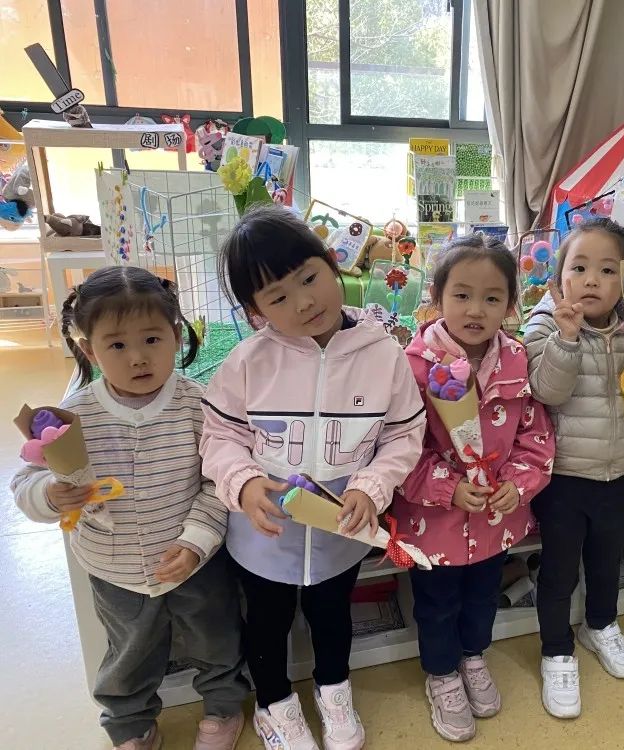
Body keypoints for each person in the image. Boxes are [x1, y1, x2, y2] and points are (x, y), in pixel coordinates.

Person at [200, 204, 426, 750]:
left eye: (308, 278)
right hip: (265, 536)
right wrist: (243, 483)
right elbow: (218, 436)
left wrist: (372, 486)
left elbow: (404, 434)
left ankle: (334, 691)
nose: (304, 302)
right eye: (277, 298)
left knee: (332, 617)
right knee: (266, 624)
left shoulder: (383, 353)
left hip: (340, 531)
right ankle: (274, 705)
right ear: (255, 312)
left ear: (331, 262)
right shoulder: (248, 362)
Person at [11, 267, 247, 750]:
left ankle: (224, 706)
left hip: (194, 564)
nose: (138, 357)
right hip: (112, 567)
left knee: (216, 639)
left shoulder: (197, 406)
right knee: (128, 653)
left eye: (152, 339)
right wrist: (49, 495)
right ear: (89, 350)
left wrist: (195, 542)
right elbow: (26, 481)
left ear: (176, 337)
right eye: (117, 345)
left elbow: (217, 483)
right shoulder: (71, 417)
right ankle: (129, 722)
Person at [392, 235, 554, 741]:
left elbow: (535, 436)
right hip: (433, 523)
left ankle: (473, 655)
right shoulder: (412, 366)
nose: (476, 310)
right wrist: (447, 488)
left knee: (484, 596)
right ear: (437, 297)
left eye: (492, 298)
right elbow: (397, 448)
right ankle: (442, 674)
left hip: (495, 520)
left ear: (510, 304)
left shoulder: (518, 360)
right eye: (461, 295)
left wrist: (519, 485)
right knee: (437, 603)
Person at [523, 218, 624, 718]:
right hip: (565, 479)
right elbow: (548, 392)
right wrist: (567, 339)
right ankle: (556, 650)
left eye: (608, 270)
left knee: (609, 561)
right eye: (579, 268)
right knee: (559, 570)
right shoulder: (545, 326)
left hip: (622, 471)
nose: (592, 280)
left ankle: (601, 624)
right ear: (559, 277)